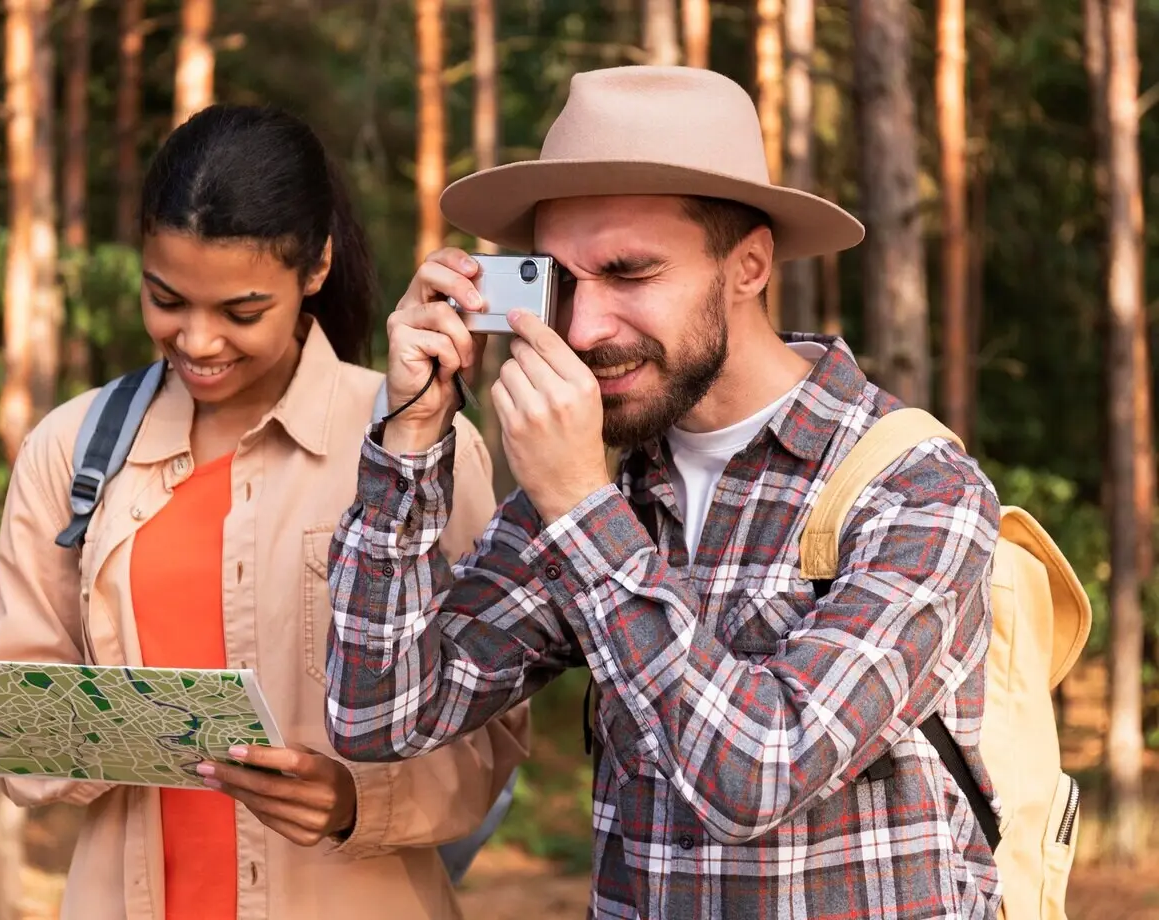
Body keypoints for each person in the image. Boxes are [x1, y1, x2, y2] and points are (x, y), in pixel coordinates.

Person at [325, 66, 1002, 919]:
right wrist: (412, 439)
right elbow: (379, 713)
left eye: (629, 274)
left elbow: (758, 775)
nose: (581, 329)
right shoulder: (602, 481)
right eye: (562, 282)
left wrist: (580, 508)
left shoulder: (916, 488)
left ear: (749, 265)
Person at [0, 103, 528, 920]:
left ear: (315, 268)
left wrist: (353, 799)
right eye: (166, 301)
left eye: (240, 313)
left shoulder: (418, 441)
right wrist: (97, 733)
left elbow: (493, 735)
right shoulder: (70, 449)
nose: (198, 342)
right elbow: (11, 718)